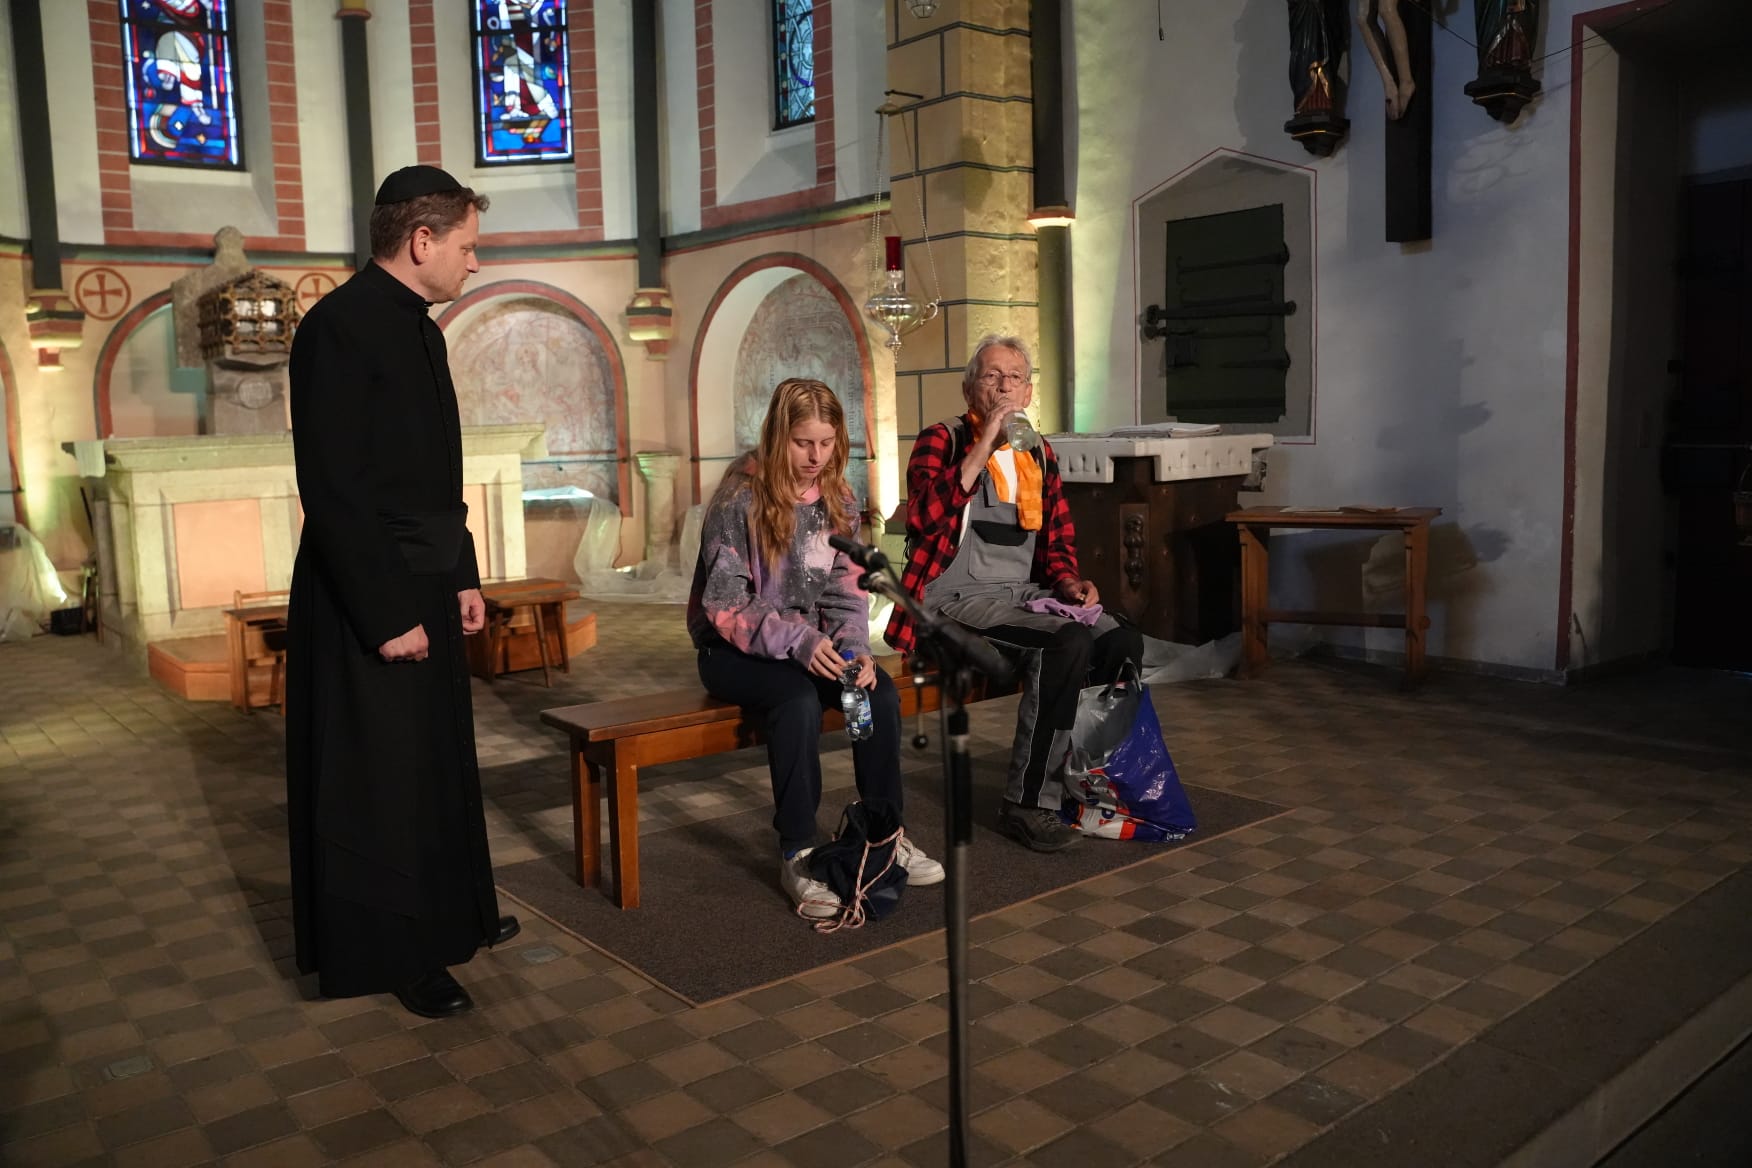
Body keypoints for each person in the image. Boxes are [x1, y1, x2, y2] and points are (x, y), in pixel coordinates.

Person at [285, 165, 517, 1020]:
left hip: (425, 579)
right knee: (380, 780)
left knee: (434, 766)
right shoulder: (337, 328)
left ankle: (452, 915)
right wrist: (386, 615)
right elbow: (334, 488)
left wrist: (461, 573)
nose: (474, 262)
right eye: (467, 246)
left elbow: (434, 476)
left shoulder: (421, 329)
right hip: (368, 593)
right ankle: (397, 950)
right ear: (422, 241)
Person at [687, 378, 945, 919]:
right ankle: (798, 851)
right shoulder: (739, 498)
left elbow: (845, 594)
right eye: (803, 443)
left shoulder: (837, 499)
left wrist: (854, 649)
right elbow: (726, 605)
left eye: (827, 443)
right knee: (797, 702)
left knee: (875, 696)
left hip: (810, 644)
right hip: (730, 651)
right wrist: (800, 641)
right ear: (778, 436)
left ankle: (883, 834)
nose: (816, 456)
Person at [887, 335, 1143, 853]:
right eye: (992, 376)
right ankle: (1027, 802)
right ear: (970, 389)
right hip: (949, 598)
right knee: (1065, 642)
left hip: (1020, 595)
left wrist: (1068, 583)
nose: (1004, 387)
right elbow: (923, 519)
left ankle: (1087, 781)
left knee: (1120, 640)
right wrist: (985, 443)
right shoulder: (943, 440)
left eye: (1015, 378)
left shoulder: (1038, 453)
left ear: (1028, 392)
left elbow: (1057, 543)